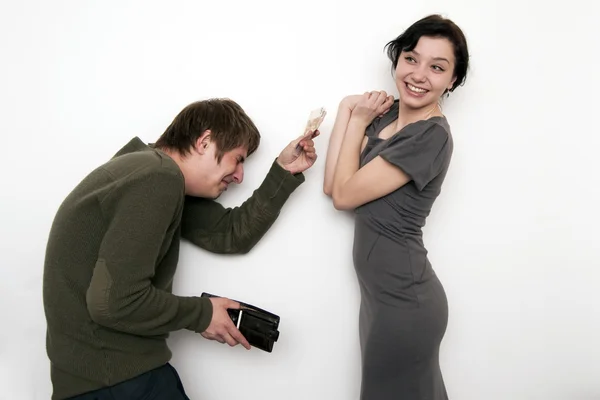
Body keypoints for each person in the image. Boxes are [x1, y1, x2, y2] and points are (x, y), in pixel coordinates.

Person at [42, 98, 319, 399]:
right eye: (238, 159)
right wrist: (202, 314)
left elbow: (230, 233)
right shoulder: (156, 178)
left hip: (109, 381)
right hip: (121, 383)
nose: (239, 176)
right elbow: (115, 301)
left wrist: (284, 170)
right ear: (205, 141)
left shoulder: (148, 173)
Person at [323, 14, 469, 399]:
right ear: (397, 60)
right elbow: (332, 184)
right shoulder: (388, 118)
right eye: (411, 59)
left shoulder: (430, 136)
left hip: (406, 300)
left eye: (437, 67)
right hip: (381, 297)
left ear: (451, 81)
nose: (419, 74)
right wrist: (346, 109)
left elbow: (343, 196)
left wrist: (357, 121)